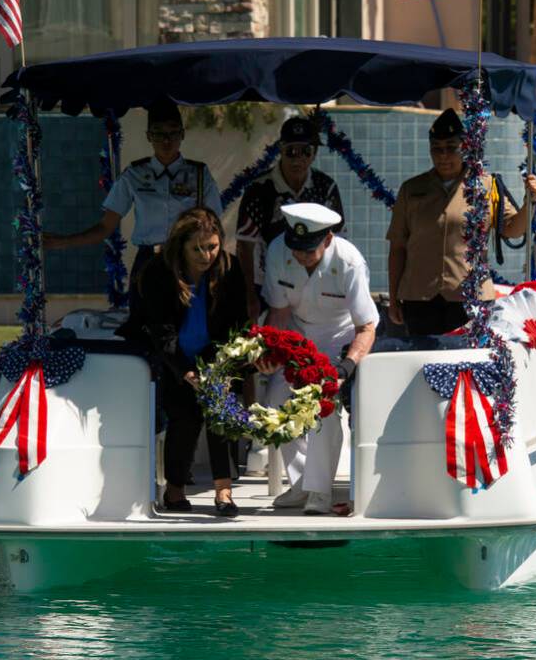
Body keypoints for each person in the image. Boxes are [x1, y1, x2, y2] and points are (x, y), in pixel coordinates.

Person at [120, 207, 247, 517]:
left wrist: (219, 367)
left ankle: (223, 488)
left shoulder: (229, 268)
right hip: (170, 356)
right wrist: (186, 371)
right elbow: (160, 330)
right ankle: (175, 488)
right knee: (185, 417)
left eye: (213, 247)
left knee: (221, 410)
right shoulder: (157, 272)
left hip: (216, 352)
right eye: (198, 249)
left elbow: (237, 323)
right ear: (181, 246)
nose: (207, 255)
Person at [257, 202, 377, 515]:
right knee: (274, 402)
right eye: (296, 248)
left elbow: (366, 326)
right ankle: (300, 485)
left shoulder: (349, 261)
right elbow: (279, 312)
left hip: (339, 342)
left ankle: (319, 492)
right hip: (296, 338)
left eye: (308, 249)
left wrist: (345, 368)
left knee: (324, 409)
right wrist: (270, 350)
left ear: (327, 239)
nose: (300, 256)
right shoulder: (278, 251)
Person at [44, 100, 222, 301]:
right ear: (148, 136)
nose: (166, 140)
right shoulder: (135, 174)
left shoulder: (198, 174)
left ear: (182, 134)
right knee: (142, 324)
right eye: (158, 133)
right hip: (149, 260)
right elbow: (106, 227)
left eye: (172, 133)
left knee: (188, 326)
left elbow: (214, 226)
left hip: (187, 260)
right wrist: (62, 242)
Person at [386, 108, 536, 336]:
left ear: (465, 148)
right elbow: (398, 247)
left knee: (468, 367)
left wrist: (531, 200)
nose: (443, 156)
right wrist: (393, 297)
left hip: (469, 298)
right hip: (419, 297)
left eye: (451, 148)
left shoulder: (485, 186)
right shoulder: (412, 189)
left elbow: (513, 230)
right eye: (437, 149)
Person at [236, 116, 344, 322]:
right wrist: (249, 294)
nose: (298, 159)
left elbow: (337, 240)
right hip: (267, 283)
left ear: (315, 154)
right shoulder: (259, 190)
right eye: (291, 151)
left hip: (313, 281)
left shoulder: (325, 187)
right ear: (280, 150)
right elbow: (244, 246)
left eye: (306, 151)